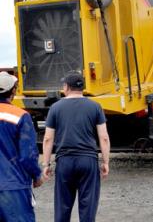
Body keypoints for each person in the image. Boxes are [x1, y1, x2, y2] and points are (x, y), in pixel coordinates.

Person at [42, 71, 110, 222]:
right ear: (83, 87)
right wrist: (105, 162)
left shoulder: (55, 108)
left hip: (64, 161)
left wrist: (46, 164)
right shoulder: (95, 107)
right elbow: (104, 137)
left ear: (66, 87)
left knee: (62, 207)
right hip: (88, 161)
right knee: (88, 208)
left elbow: (47, 139)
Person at [0, 71, 43, 222]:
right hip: (13, 186)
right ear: (13, 90)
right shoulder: (20, 116)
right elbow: (27, 155)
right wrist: (36, 175)